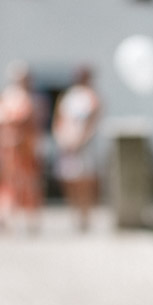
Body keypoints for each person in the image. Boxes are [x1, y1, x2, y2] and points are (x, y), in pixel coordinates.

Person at [0, 62, 44, 234]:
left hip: (22, 150)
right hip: (11, 150)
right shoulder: (11, 97)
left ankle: (28, 221)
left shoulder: (29, 97)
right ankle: (6, 219)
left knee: (26, 184)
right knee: (9, 184)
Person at [52, 66, 101, 232]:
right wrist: (62, 139)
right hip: (67, 146)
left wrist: (80, 141)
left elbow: (93, 122)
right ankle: (75, 215)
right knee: (69, 181)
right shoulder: (68, 96)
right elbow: (58, 119)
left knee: (85, 182)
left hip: (84, 147)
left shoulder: (92, 97)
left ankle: (85, 217)